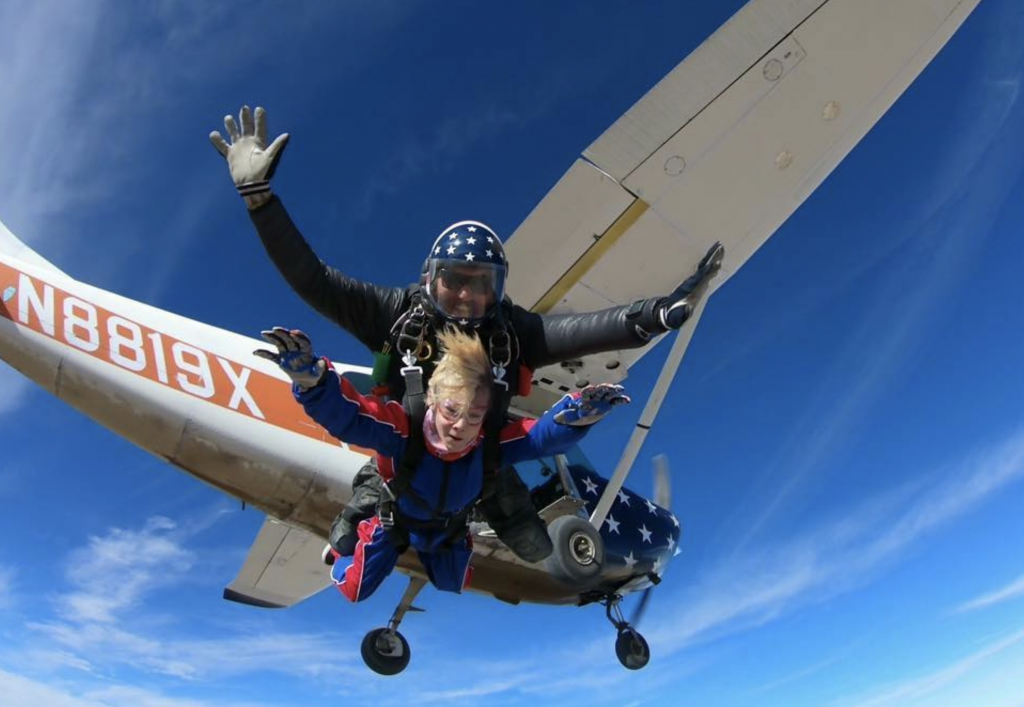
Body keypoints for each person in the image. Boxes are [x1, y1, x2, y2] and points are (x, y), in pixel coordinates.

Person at [212, 106, 723, 562]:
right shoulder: (395, 314)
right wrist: (260, 199)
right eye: (453, 282)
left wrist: (657, 314)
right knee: (365, 526)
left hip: (486, 463)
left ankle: (450, 535)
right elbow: (313, 280)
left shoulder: (511, 332)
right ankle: (376, 525)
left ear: (498, 292)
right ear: (429, 279)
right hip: (402, 455)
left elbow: (587, 331)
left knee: (537, 549)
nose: (464, 299)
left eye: (482, 288)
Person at [255, 326, 629, 601]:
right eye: (452, 410)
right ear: (432, 398)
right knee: (355, 590)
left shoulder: (488, 443)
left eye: (475, 415)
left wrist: (578, 413)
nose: (462, 425)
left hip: (447, 528)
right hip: (396, 521)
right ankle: (344, 545)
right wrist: (315, 383)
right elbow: (352, 417)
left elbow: (540, 436)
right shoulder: (403, 430)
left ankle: (447, 546)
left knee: (454, 583)